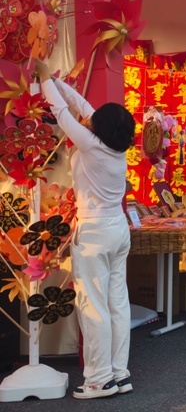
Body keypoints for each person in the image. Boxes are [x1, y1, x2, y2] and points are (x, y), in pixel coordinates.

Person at [36, 60, 136, 399]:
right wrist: (54, 81)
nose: (88, 118)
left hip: (94, 233)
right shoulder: (113, 146)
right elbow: (80, 106)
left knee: (92, 305)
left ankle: (98, 379)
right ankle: (119, 373)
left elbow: (63, 113)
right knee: (117, 303)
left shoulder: (90, 144)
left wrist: (45, 81)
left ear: (98, 128)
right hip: (117, 229)